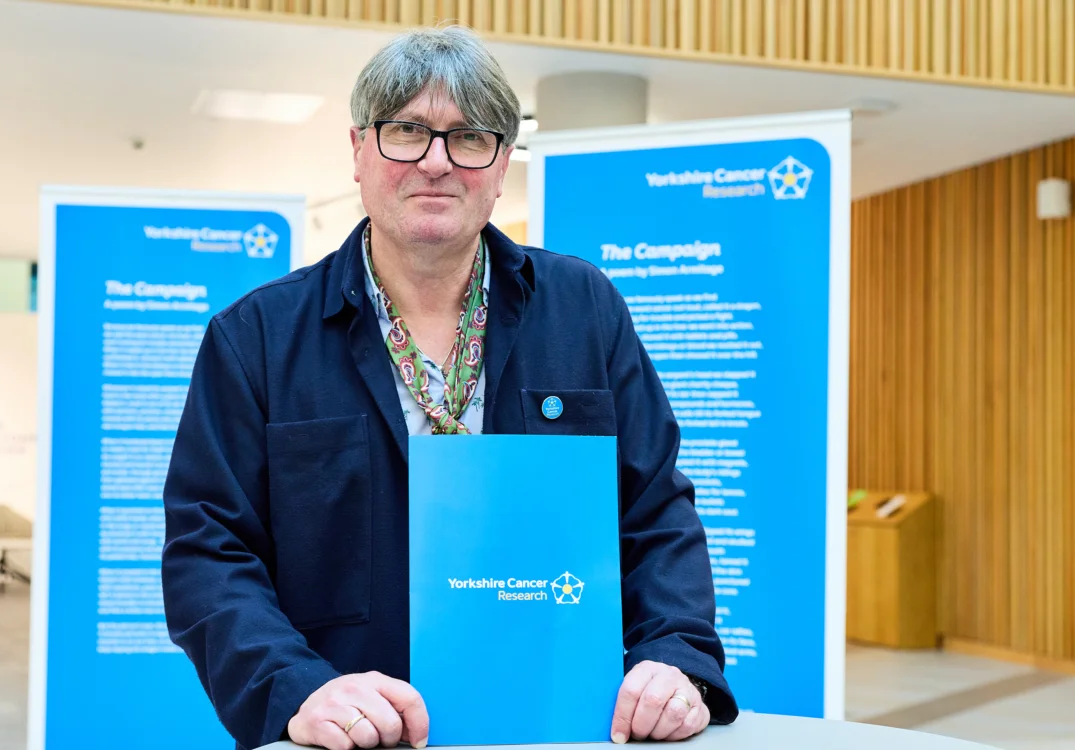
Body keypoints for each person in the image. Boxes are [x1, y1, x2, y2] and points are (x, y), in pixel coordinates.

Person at [162, 25, 737, 750]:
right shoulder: (256, 338)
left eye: (469, 138)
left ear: (501, 165)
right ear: (358, 151)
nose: (436, 162)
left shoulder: (583, 309)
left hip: (559, 726)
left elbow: (654, 509)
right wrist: (296, 687)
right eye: (407, 130)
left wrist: (675, 656)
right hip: (351, 735)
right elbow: (209, 549)